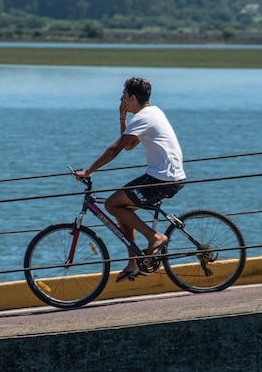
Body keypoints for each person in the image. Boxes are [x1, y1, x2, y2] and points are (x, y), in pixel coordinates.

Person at [75, 77, 185, 283]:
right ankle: (133, 262)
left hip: (162, 178)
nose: (120, 98)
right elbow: (130, 145)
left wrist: (88, 171)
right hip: (167, 176)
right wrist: (122, 117)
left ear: (132, 97)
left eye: (124, 96)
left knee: (111, 204)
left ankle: (155, 238)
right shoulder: (153, 113)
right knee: (122, 210)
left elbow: (116, 149)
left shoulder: (144, 117)